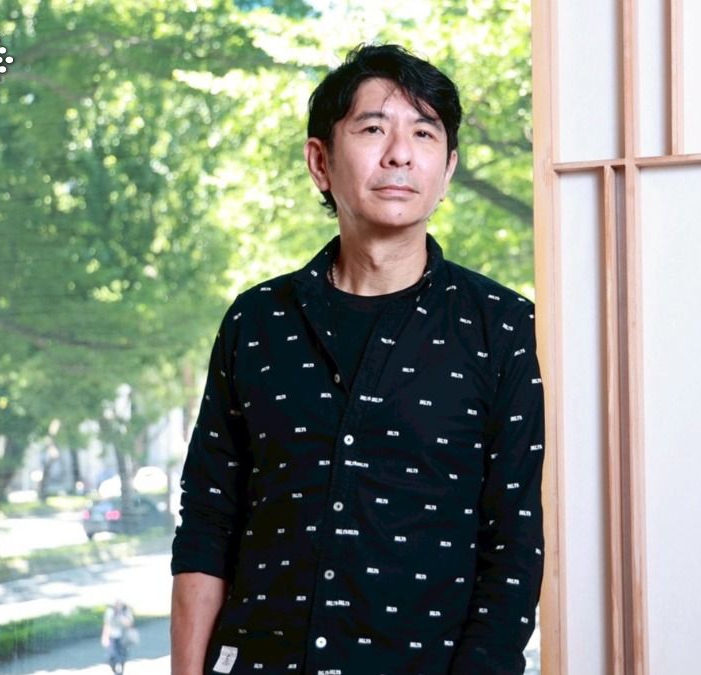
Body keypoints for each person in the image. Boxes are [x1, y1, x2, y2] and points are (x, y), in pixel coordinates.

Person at [170, 43, 544, 674]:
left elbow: (513, 548)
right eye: (373, 129)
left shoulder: (502, 327)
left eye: (424, 133)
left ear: (448, 169)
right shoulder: (256, 322)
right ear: (320, 161)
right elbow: (208, 520)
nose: (400, 153)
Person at [101, 597, 135, 674]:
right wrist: (104, 637)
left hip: (123, 637)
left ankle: (121, 671)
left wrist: (121, 617)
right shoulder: (110, 611)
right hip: (112, 636)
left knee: (122, 656)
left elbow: (130, 624)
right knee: (110, 657)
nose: (118, 605)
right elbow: (107, 624)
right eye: (116, 603)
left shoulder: (126, 611)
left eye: (120, 603)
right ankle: (115, 671)